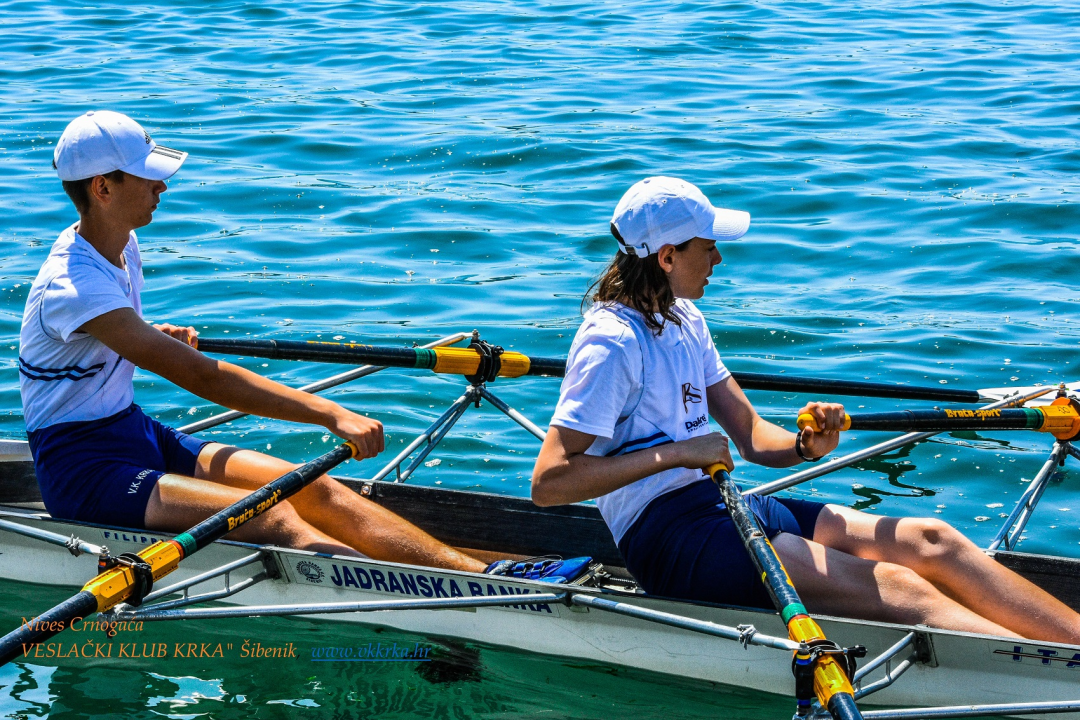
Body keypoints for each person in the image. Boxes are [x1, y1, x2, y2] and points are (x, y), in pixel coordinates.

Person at [21, 110, 587, 583]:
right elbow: (207, 380)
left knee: (315, 486)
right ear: (103, 188)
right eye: (147, 177)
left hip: (133, 431)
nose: (161, 186)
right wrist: (332, 413)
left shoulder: (123, 245)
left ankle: (483, 579)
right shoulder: (73, 285)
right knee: (273, 515)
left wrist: (142, 335)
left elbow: (107, 336)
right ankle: (417, 603)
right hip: (82, 467)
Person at [531, 176, 1080, 642]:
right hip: (669, 541)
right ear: (667, 256)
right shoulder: (611, 343)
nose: (719, 257)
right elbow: (550, 482)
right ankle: (1048, 676)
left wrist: (804, 444)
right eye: (708, 245)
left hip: (725, 506)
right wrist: (676, 454)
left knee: (933, 540)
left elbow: (749, 436)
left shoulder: (684, 321)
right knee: (902, 587)